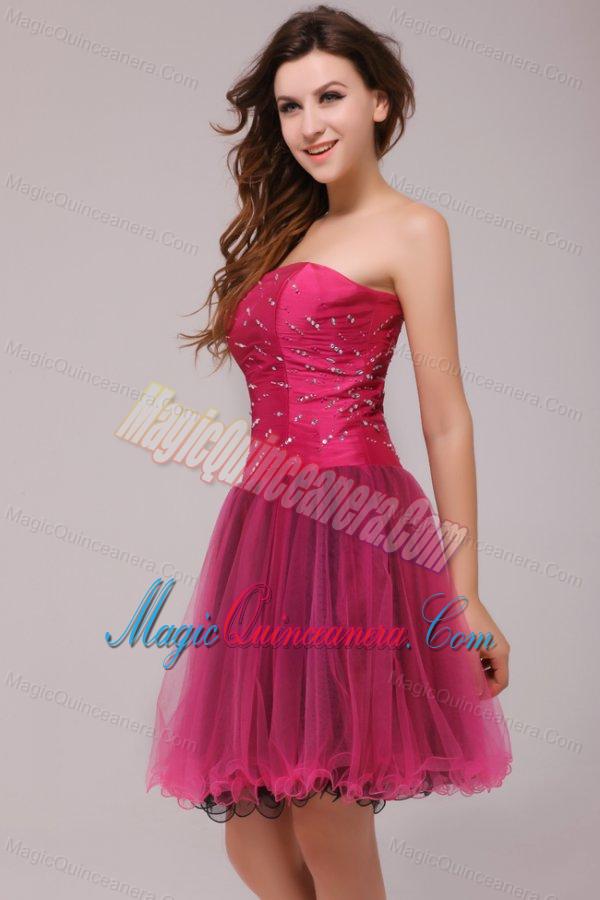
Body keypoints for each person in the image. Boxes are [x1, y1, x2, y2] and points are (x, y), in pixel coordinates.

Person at [146, 6, 512, 898]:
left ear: (380, 102)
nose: (310, 124)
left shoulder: (413, 230)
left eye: (331, 97)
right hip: (262, 530)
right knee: (252, 834)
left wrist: (464, 594)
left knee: (324, 807)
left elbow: (446, 420)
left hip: (350, 527)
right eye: (290, 106)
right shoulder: (288, 235)